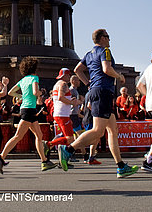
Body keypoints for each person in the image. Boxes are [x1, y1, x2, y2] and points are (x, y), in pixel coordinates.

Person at [57, 29, 139, 178]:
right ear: (102, 38)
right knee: (97, 131)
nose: (109, 40)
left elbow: (77, 70)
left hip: (97, 91)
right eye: (108, 37)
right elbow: (106, 69)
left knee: (112, 130)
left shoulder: (89, 54)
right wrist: (119, 76)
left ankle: (121, 166)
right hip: (103, 92)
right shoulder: (105, 51)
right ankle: (68, 150)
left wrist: (88, 83)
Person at [0, 57, 54, 173]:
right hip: (29, 109)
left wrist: (23, 97)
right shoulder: (34, 78)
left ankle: (44, 161)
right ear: (34, 68)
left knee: (39, 135)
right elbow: (35, 92)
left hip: (26, 109)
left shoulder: (23, 80)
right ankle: (1, 157)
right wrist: (41, 92)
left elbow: (11, 92)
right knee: (18, 136)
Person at [47, 68, 78, 152]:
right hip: (62, 114)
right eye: (68, 75)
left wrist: (70, 100)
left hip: (60, 113)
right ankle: (49, 144)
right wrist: (72, 103)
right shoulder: (63, 84)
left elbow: (60, 98)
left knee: (66, 136)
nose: (69, 77)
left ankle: (63, 155)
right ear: (65, 75)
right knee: (70, 138)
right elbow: (61, 97)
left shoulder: (57, 84)